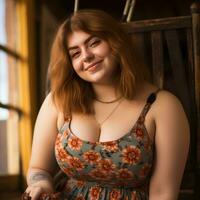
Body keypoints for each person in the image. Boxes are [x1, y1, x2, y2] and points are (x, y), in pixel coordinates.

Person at [24, 9, 190, 200]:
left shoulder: (162, 106)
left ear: (116, 42)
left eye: (94, 43)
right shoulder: (59, 101)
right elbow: (39, 169)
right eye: (75, 53)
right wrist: (41, 184)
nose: (86, 56)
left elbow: (163, 193)